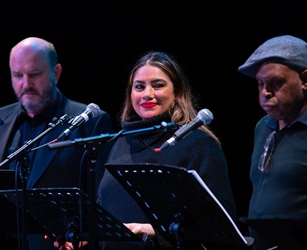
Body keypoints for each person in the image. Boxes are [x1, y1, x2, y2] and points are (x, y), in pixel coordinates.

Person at [55, 51, 243, 249]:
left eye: (158, 85)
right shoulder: (120, 142)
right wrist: (85, 237)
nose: (147, 94)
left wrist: (154, 230)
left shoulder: (198, 144)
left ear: (177, 92)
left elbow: (219, 225)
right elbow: (110, 212)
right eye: (139, 87)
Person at [0, 37, 114, 250]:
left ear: (56, 73)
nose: (26, 84)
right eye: (17, 75)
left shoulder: (90, 120)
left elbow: (102, 199)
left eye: (35, 74)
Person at [238, 35, 307, 250]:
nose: (265, 92)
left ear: (305, 80)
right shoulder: (263, 127)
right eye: (260, 84)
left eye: (276, 83)